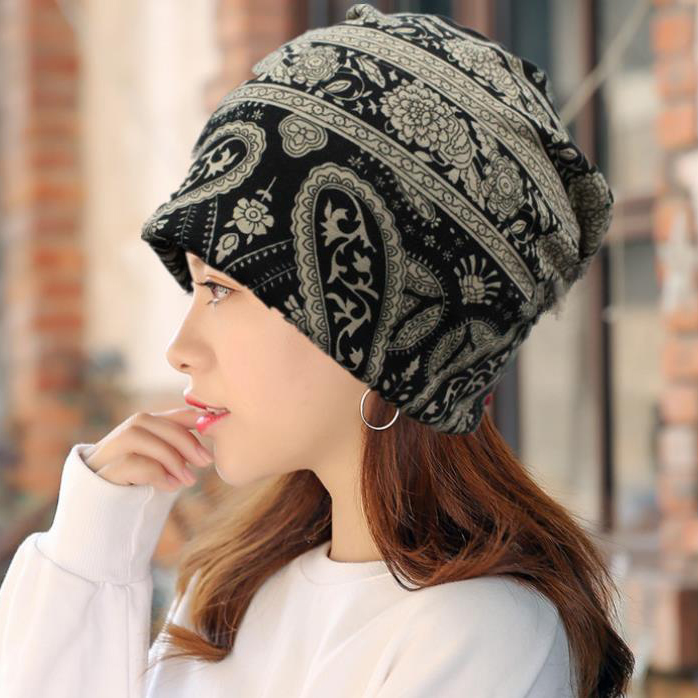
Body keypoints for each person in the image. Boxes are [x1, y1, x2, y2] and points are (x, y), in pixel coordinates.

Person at [0, 4, 634, 697]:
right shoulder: (228, 588)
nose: (180, 350)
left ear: (378, 330)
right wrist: (91, 546)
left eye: (221, 290)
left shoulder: (476, 632)